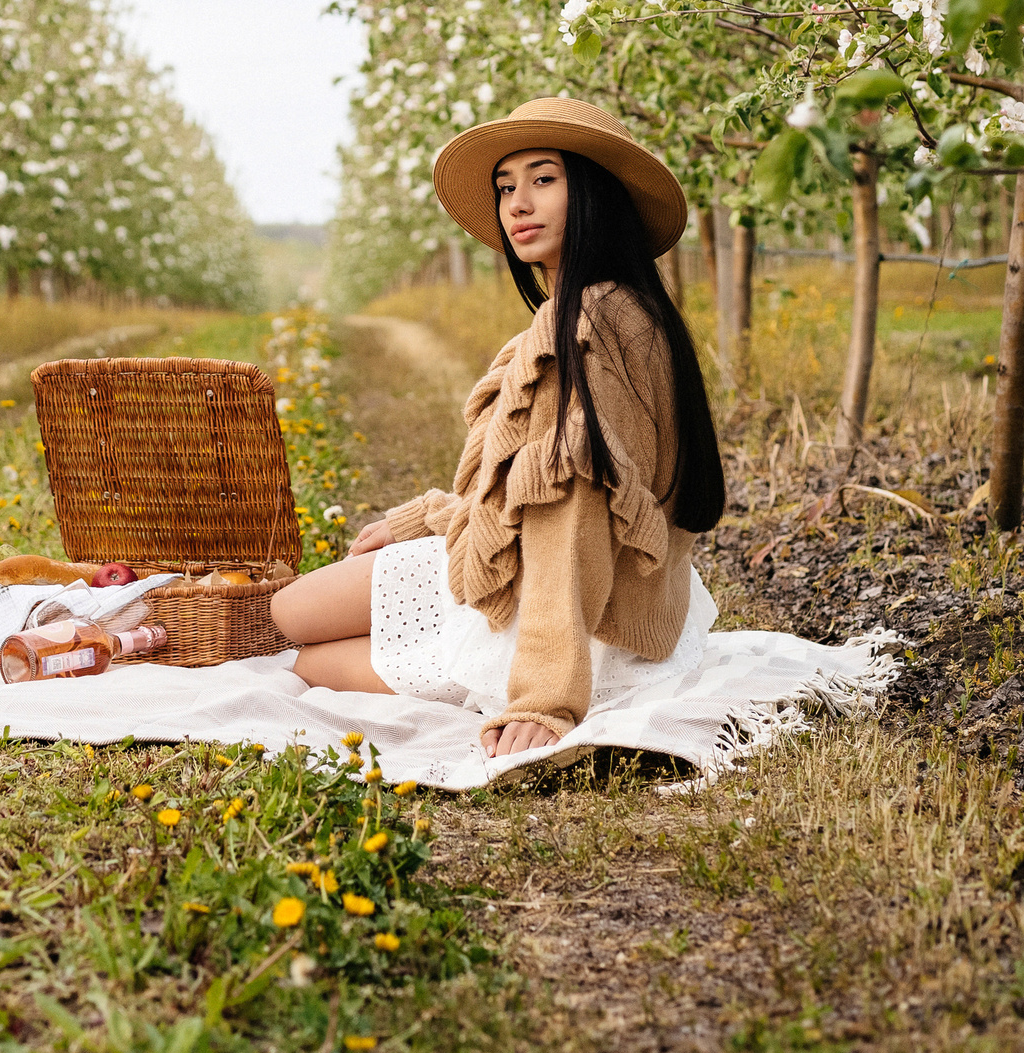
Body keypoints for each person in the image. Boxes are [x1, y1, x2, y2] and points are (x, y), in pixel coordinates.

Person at [269, 96, 728, 760]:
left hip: (580, 620)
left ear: (594, 191)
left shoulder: (593, 325)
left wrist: (546, 696)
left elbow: (572, 502)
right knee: (291, 613)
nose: (517, 203)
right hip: (566, 574)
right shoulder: (599, 308)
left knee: (309, 659)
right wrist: (433, 515)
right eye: (506, 186)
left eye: (544, 179)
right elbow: (527, 487)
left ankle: (505, 668)